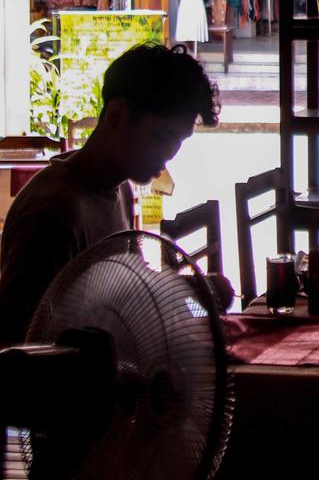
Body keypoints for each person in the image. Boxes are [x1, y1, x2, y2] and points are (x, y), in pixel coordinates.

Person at [0, 43, 219, 346]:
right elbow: (17, 347)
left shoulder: (120, 188)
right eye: (161, 137)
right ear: (116, 116)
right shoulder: (53, 213)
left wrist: (192, 289)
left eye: (179, 141)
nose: (170, 154)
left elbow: (122, 294)